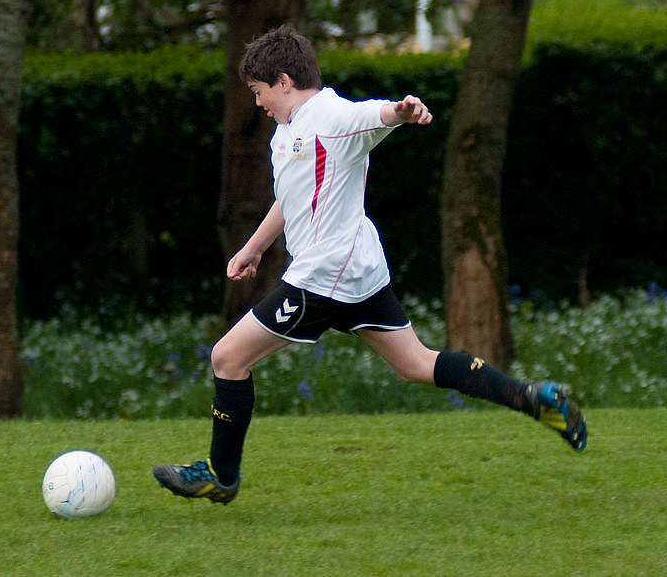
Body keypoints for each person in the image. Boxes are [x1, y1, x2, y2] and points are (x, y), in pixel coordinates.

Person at [153, 25, 587, 505]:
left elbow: (374, 115)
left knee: (226, 358)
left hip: (325, 276)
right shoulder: (286, 132)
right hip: (355, 272)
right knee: (417, 364)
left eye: (259, 92)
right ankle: (531, 399)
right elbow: (290, 198)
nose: (258, 103)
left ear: (282, 81)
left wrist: (403, 111)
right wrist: (253, 247)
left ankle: (221, 474)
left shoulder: (331, 114)